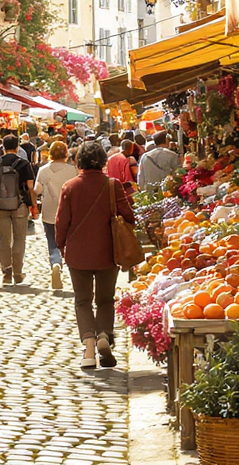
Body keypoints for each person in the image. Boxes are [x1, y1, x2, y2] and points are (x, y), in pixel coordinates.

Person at [55, 141, 136, 370]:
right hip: (107, 251)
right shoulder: (113, 185)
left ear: (78, 161)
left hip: (78, 253)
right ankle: (103, 335)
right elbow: (128, 215)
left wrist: (61, 246)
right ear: (102, 161)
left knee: (82, 300)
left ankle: (89, 348)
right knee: (105, 299)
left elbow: (62, 223)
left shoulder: (70, 187)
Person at [0, 135, 37, 285]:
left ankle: (6, 271)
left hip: (0, 206)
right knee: (19, 238)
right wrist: (33, 205)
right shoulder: (24, 164)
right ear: (17, 147)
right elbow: (30, 187)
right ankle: (18, 271)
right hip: (20, 205)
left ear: (3, 146)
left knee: (3, 239)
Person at [33, 141, 77, 291]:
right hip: (69, 210)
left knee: (52, 241)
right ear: (66, 154)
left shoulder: (43, 170)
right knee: (69, 241)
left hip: (50, 211)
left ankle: (56, 263)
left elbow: (37, 190)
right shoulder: (72, 171)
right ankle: (70, 267)